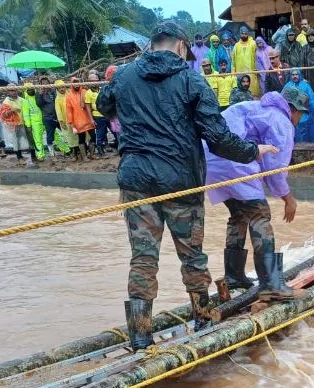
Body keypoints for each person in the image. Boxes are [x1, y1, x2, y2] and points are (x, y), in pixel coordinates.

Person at [96, 21, 278, 349]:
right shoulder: (191, 79)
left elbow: (103, 106)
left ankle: (140, 336)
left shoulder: (123, 75)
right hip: (180, 181)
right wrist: (253, 151)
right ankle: (202, 320)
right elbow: (219, 138)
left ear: (151, 44)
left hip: (136, 180)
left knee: (143, 258)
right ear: (181, 46)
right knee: (192, 256)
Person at [206, 87, 308, 301]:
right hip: (234, 161)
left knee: (239, 214)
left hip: (211, 161)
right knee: (259, 215)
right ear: (293, 110)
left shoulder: (256, 108)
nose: (299, 119)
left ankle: (234, 276)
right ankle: (270, 284)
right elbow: (275, 168)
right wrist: (288, 198)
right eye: (300, 113)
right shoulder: (281, 121)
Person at [0, 84, 33, 166]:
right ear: (8, 92)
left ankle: (32, 155)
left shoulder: (22, 100)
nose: (13, 92)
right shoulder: (6, 102)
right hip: (13, 125)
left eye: (15, 90)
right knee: (16, 141)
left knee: (28, 140)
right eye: (11, 90)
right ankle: (19, 157)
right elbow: (3, 115)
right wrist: (12, 110)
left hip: (24, 123)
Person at [283, 69, 314, 142]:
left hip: (304, 114)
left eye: (296, 74)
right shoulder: (287, 86)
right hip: (292, 115)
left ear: (299, 75)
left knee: (305, 133)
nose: (295, 76)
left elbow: (312, 99)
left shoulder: (305, 86)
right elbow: (282, 100)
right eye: (293, 75)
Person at [66, 77, 96, 161]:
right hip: (78, 121)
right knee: (81, 139)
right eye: (74, 82)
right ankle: (84, 156)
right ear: (71, 84)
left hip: (88, 119)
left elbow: (90, 103)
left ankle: (92, 154)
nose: (76, 84)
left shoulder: (85, 92)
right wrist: (72, 124)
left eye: (77, 82)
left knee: (93, 136)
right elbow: (69, 111)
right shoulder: (69, 96)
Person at [85, 74, 111, 157]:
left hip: (108, 114)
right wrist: (91, 119)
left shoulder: (102, 89)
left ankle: (119, 147)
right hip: (98, 116)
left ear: (98, 80)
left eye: (95, 80)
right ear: (88, 82)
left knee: (115, 130)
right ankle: (101, 151)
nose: (94, 82)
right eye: (91, 81)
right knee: (100, 133)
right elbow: (88, 107)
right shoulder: (88, 93)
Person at [36, 76, 62, 159]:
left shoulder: (53, 91)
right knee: (50, 136)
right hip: (48, 118)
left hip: (57, 116)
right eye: (43, 83)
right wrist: (40, 94)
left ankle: (71, 150)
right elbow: (39, 104)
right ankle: (52, 154)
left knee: (65, 132)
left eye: (46, 82)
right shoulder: (39, 93)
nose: (45, 84)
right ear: (40, 84)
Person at [54, 79, 79, 158]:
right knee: (69, 137)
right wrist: (61, 122)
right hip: (65, 121)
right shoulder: (57, 99)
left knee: (77, 135)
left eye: (63, 87)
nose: (62, 89)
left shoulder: (69, 94)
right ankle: (73, 153)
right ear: (57, 89)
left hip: (74, 119)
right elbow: (58, 111)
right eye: (59, 88)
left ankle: (79, 151)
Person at [233, 27, 260, 97]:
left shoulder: (253, 43)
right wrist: (233, 72)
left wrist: (257, 68)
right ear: (240, 34)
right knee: (241, 91)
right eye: (242, 33)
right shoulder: (236, 45)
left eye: (245, 34)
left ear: (248, 34)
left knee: (252, 91)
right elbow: (233, 60)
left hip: (251, 71)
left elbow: (258, 57)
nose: (244, 35)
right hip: (240, 72)